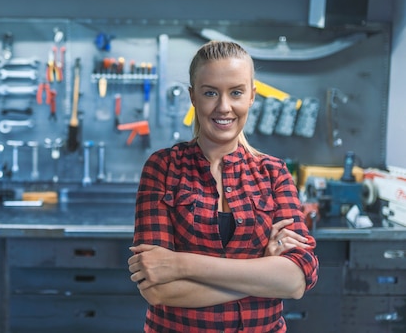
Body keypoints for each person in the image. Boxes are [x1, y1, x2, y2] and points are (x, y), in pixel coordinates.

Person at [128, 40, 318, 332]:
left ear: (252, 96)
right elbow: (157, 288)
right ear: (193, 97)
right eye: (210, 93)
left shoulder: (274, 173)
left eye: (236, 92)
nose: (224, 107)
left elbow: (296, 280)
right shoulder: (163, 167)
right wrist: (264, 274)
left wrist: (180, 265)